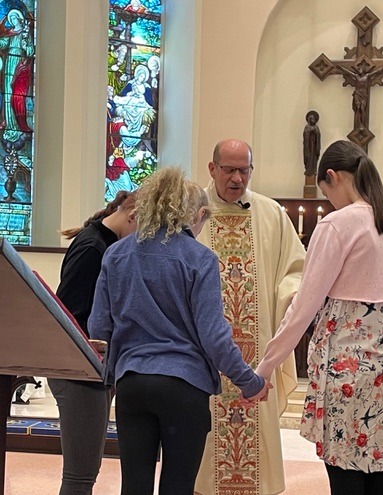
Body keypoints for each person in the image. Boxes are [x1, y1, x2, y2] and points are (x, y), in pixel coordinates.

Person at [88, 167, 270, 495]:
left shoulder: (116, 253)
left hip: (132, 385)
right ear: (197, 215)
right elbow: (214, 337)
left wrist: (114, 374)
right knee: (178, 487)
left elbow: (99, 327)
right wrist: (249, 381)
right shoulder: (199, 258)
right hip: (183, 388)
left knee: (134, 486)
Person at [254, 140, 383, 495]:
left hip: (344, 369)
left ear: (332, 177)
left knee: (344, 477)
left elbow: (303, 309)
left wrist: (265, 366)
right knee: (376, 476)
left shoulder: (338, 224)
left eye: (326, 191)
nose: (328, 200)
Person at [194, 139, 306, 495]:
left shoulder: (271, 213)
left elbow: (296, 269)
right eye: (229, 169)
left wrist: (288, 298)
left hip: (257, 349)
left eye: (245, 170)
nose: (238, 178)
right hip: (203, 353)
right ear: (212, 169)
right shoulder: (192, 212)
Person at [48, 190, 137, 495]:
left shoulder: (103, 242)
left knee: (85, 473)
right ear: (132, 216)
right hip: (77, 369)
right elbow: (69, 314)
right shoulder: (93, 247)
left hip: (89, 369)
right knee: (80, 476)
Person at [0, 8, 35, 145]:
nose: (13, 21)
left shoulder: (25, 34)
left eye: (15, 18)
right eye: (11, 19)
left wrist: (26, 38)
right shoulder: (11, 34)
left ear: (20, 19)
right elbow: (2, 44)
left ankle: (17, 126)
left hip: (19, 66)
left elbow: (30, 51)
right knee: (8, 94)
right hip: (9, 62)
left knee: (17, 94)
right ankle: (9, 126)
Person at [303, 110, 321, 177]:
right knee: (308, 158)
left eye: (314, 119)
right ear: (309, 119)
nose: (313, 120)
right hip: (308, 146)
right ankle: (308, 171)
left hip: (314, 145)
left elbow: (318, 135)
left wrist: (316, 133)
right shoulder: (307, 127)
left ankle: (313, 170)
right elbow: (305, 135)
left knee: (314, 159)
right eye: (312, 119)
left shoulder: (316, 128)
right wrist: (310, 131)